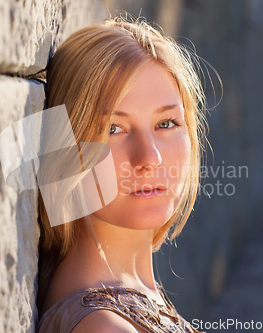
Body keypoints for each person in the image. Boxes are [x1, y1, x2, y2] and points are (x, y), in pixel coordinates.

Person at [36, 15, 211, 333]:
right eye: (113, 129)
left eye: (166, 123)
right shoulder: (103, 326)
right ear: (66, 149)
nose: (149, 158)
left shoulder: (131, 296)